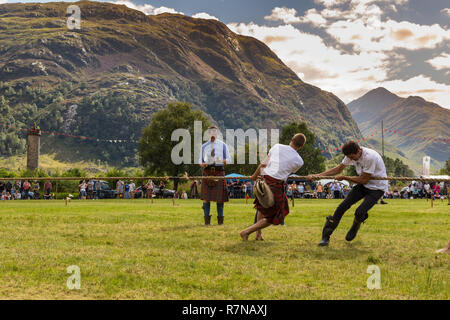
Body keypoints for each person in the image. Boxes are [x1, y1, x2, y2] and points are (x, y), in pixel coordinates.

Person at [308, 141, 388, 246]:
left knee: (360, 212)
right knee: (342, 206)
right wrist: (318, 175)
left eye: (352, 157)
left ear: (359, 151)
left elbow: (364, 179)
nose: (350, 159)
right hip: (363, 185)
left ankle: (356, 225)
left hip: (377, 188)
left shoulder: (370, 157)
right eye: (349, 158)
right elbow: (339, 168)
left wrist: (345, 177)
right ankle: (325, 237)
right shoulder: (350, 155)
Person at [240, 133, 305, 241]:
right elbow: (289, 171)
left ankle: (258, 234)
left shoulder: (277, 146)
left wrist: (254, 176)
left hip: (263, 180)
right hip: (276, 184)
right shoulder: (299, 161)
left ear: (291, 139)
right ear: (301, 147)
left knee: (262, 207)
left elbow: (263, 164)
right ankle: (246, 232)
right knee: (277, 214)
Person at [199, 125, 231, 225]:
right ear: (208, 133)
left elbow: (229, 160)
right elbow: (200, 161)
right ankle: (207, 222)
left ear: (217, 133)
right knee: (206, 198)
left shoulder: (223, 145)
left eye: (215, 132)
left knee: (220, 199)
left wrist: (221, 160)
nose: (213, 134)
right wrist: (203, 164)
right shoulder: (204, 146)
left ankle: (220, 222)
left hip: (219, 171)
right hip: (207, 172)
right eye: (211, 132)